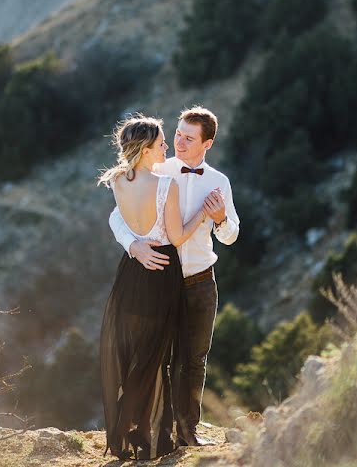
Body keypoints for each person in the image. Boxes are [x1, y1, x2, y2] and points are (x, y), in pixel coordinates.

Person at [109, 106, 240, 447]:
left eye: (188, 138)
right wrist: (132, 245)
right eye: (177, 135)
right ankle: (155, 432)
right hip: (162, 280)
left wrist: (223, 217)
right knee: (159, 360)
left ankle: (188, 431)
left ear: (207, 143)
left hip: (198, 280)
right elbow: (116, 215)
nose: (179, 142)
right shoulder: (156, 167)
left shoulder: (218, 182)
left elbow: (231, 235)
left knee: (194, 359)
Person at [98, 115, 211, 460]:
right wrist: (203, 215)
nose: (166, 146)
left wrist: (134, 245)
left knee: (136, 355)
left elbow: (118, 218)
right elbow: (176, 237)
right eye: (161, 142)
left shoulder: (118, 180)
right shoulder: (166, 186)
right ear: (146, 150)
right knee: (156, 357)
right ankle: (143, 433)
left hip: (131, 273)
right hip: (162, 271)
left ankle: (132, 430)